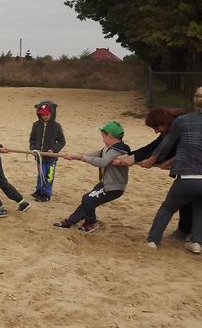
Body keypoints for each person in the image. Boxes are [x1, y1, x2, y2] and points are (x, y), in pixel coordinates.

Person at [141, 87, 202, 253]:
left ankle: (153, 240)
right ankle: (196, 242)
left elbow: (166, 144)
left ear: (194, 101)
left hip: (188, 176)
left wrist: (151, 160)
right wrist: (171, 160)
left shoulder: (183, 121)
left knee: (167, 208)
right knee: (199, 208)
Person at [112, 107, 188, 237]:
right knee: (187, 201)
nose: (156, 131)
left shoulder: (178, 130)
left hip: (192, 170)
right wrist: (129, 155)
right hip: (189, 171)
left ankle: (184, 232)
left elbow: (163, 151)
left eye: (156, 128)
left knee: (183, 202)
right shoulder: (169, 131)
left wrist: (134, 158)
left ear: (165, 123)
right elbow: (151, 147)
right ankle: (186, 231)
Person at [54, 121, 130, 233]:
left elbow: (102, 162)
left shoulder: (117, 150)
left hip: (114, 187)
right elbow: (91, 155)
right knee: (87, 201)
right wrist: (75, 156)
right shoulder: (107, 148)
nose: (102, 138)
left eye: (103, 136)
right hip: (105, 183)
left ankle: (91, 222)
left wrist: (83, 158)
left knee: (88, 199)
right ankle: (71, 221)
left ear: (109, 136)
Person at [28, 101, 66, 202]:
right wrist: (33, 149)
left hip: (51, 158)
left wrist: (53, 150)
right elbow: (32, 139)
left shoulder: (56, 126)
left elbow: (62, 141)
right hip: (39, 157)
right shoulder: (36, 125)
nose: (44, 116)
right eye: (42, 114)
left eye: (47, 114)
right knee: (41, 174)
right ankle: (39, 190)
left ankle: (46, 193)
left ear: (52, 113)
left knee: (49, 175)